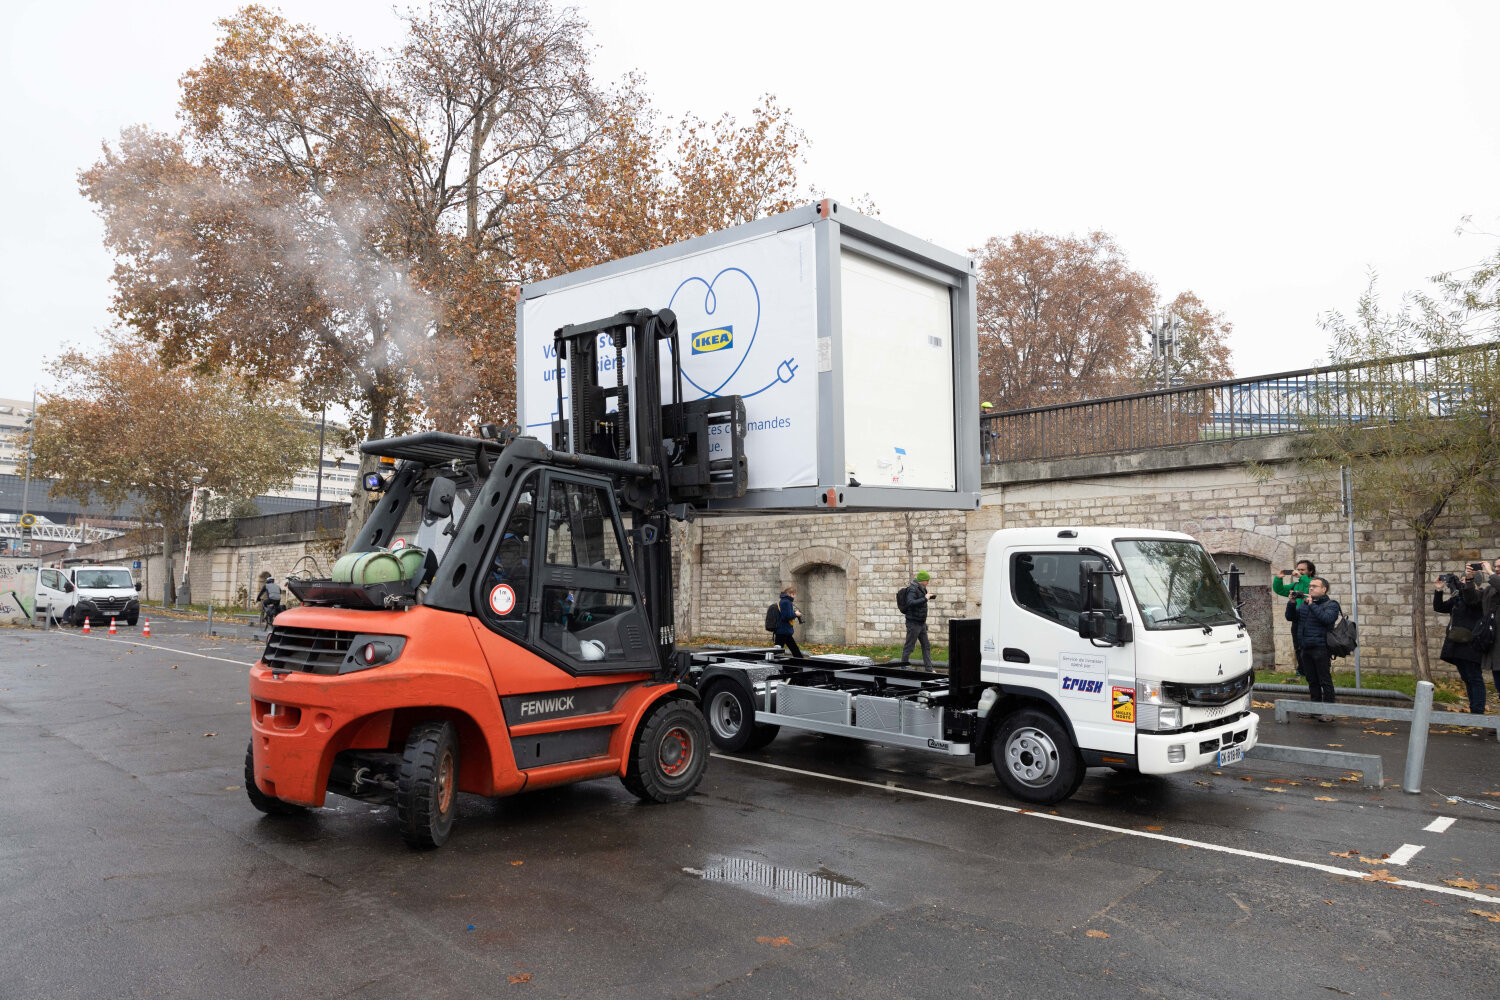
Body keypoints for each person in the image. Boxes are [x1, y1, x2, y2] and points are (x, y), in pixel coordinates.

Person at [1434, 563, 1487, 714]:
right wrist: (1439, 590)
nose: (1463, 583)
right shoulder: (1458, 597)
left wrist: (1465, 586)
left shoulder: (1480, 597)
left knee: (1475, 678)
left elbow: (1470, 599)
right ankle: (1474, 710)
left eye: (1466, 581)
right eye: (1462, 580)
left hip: (1471, 646)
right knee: (1467, 679)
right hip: (1456, 646)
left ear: (1474, 583)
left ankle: (1478, 713)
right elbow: (1440, 607)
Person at [1285, 576, 1340, 720]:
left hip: (1321, 648)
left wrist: (1312, 605)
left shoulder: (1331, 604)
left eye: (1314, 586)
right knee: (1312, 680)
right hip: (1305, 647)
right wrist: (1291, 603)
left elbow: (1327, 619)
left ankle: (1329, 712)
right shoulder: (1304, 603)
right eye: (1310, 586)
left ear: (1324, 589)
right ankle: (1315, 709)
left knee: (1324, 680)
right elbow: (1291, 617)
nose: (1310, 588)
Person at [1273, 559, 1315, 676]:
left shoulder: (1314, 582)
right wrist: (1279, 578)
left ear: (1310, 571)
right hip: (1297, 620)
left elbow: (1311, 585)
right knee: (1298, 647)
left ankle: (1313, 671)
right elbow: (1279, 590)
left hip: (1311, 620)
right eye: (1298, 569)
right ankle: (1301, 671)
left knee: (1311, 646)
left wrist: (1301, 576)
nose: (1300, 571)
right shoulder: (1296, 585)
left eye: (1303, 570)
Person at [902, 570, 934, 669]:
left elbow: (921, 599)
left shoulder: (922, 588)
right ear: (922, 580)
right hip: (913, 623)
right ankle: (903, 667)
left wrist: (929, 597)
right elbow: (910, 602)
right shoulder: (912, 589)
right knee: (909, 647)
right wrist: (925, 598)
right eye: (927, 580)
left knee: (926, 646)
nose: (928, 582)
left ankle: (929, 669)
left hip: (921, 623)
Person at [1480, 560, 1500, 712]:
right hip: (1495, 649)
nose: (1497, 569)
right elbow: (1472, 600)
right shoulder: (1491, 589)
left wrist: (1491, 574)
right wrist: (1468, 579)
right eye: (1496, 567)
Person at [774, 585, 803, 657]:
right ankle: (800, 662)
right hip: (783, 630)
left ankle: (800, 662)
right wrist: (796, 614)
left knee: (794, 650)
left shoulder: (784, 601)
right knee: (777, 652)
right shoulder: (786, 602)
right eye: (793, 594)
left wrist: (794, 613)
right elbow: (786, 616)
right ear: (788, 593)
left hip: (784, 630)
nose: (794, 596)